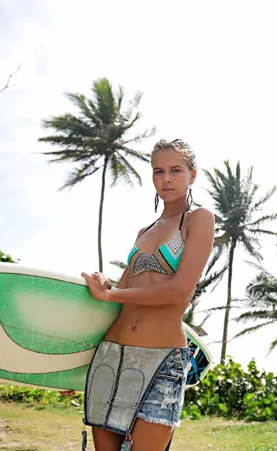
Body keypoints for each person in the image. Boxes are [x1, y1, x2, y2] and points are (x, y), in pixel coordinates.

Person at [80, 138, 215, 451]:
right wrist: (104, 285)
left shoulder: (199, 219)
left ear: (192, 175)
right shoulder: (144, 231)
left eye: (175, 170)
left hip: (163, 360)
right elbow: (123, 290)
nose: (165, 178)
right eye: (158, 171)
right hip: (111, 355)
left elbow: (181, 290)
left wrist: (112, 296)